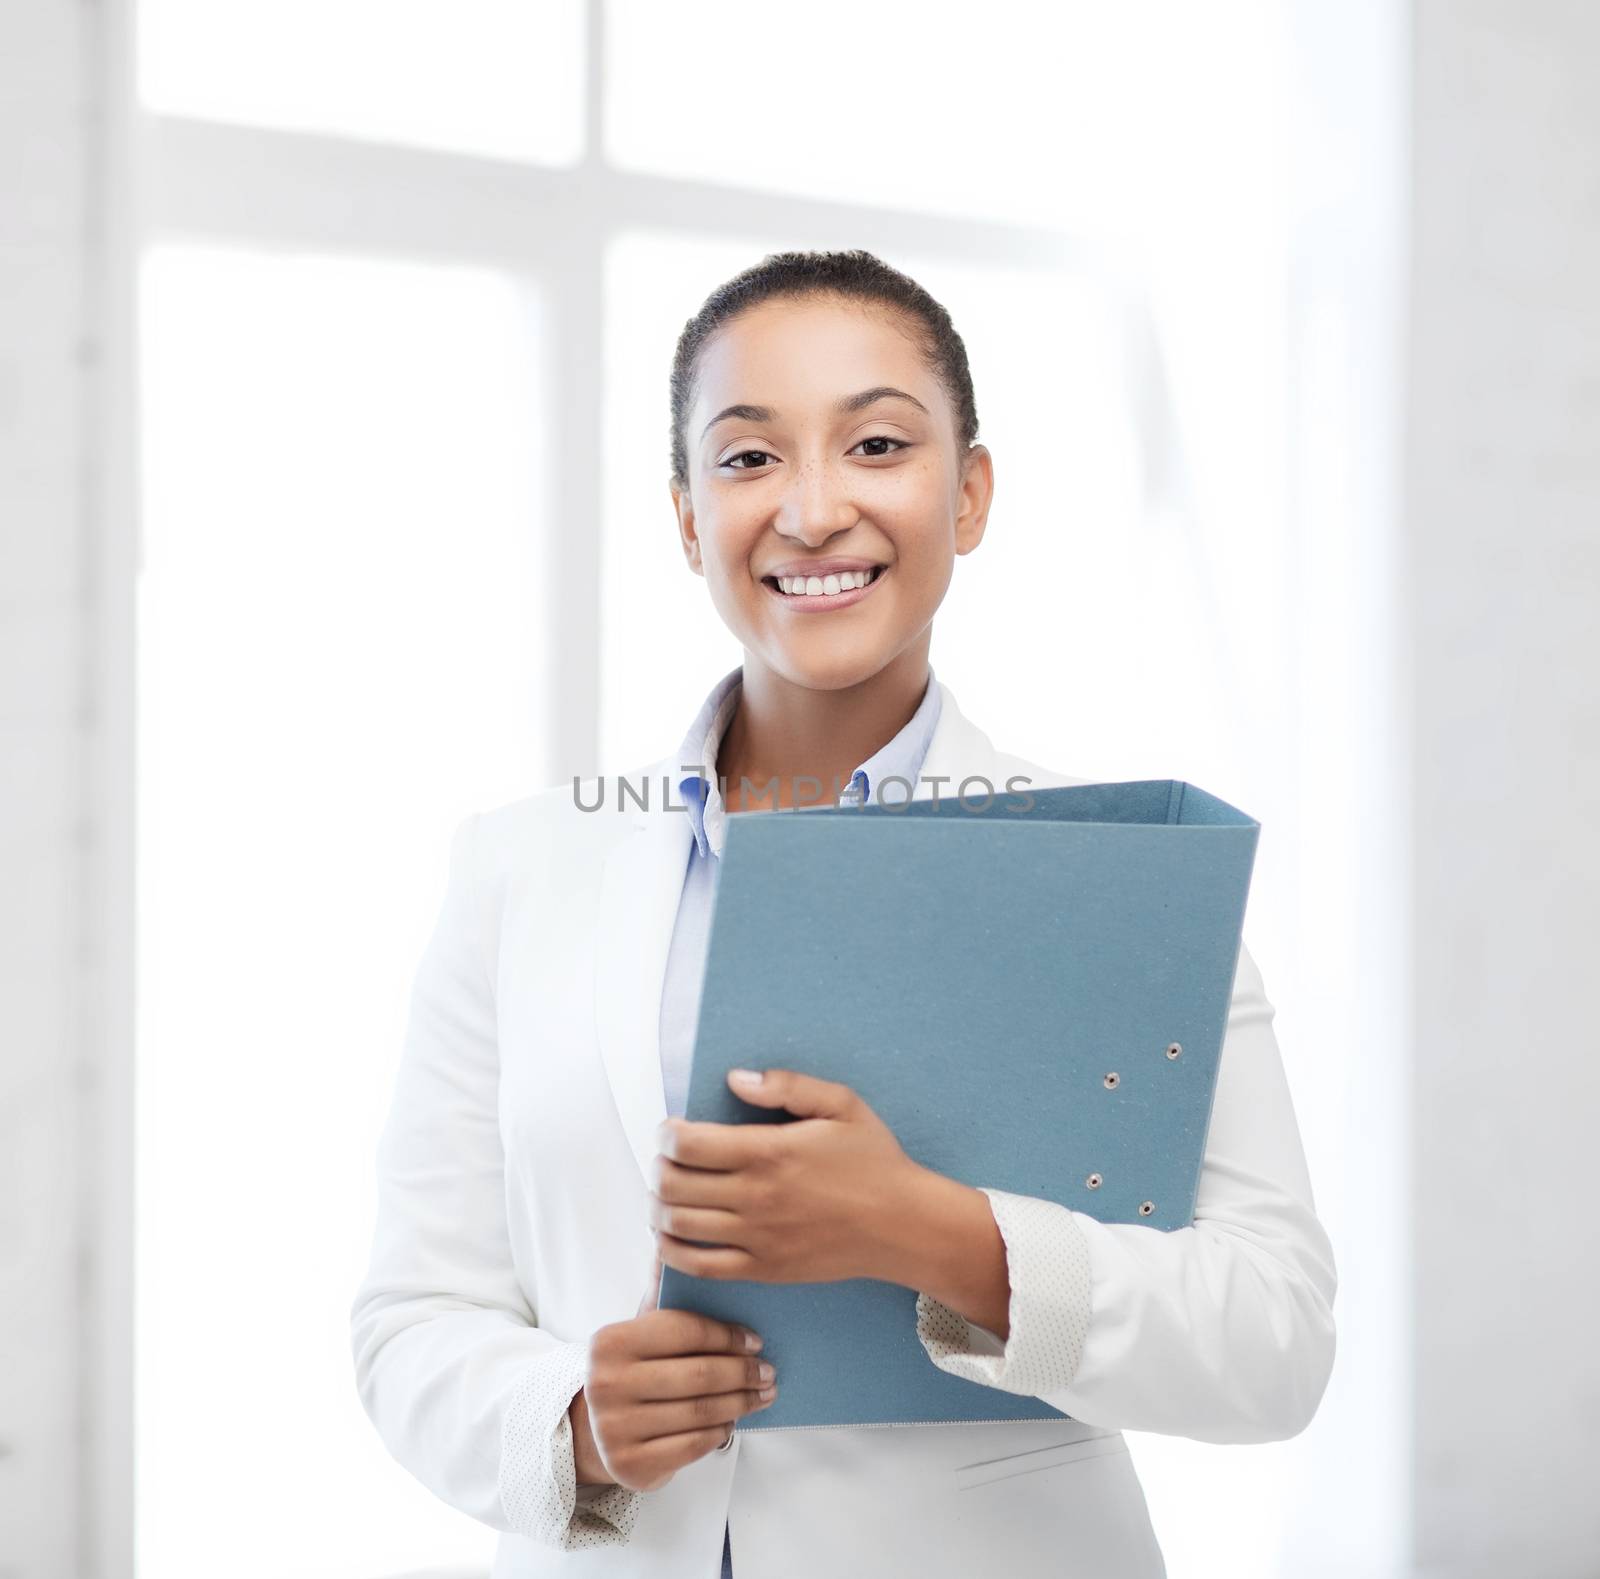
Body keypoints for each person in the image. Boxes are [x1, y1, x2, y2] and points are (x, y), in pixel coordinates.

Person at [349, 249, 1338, 1579]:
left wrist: (930, 1233)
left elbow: (1275, 1339)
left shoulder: (1119, 874)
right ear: (690, 518)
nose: (813, 510)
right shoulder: (519, 870)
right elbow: (416, 1315)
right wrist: (576, 1421)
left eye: (876, 443)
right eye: (749, 459)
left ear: (969, 491)